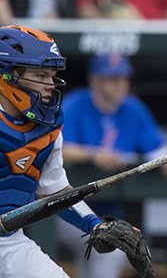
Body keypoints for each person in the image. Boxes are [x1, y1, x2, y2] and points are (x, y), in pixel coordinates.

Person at [0, 25, 143, 277]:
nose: (49, 85)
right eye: (40, 75)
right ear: (8, 74)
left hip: (8, 240)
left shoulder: (48, 127)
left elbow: (55, 191)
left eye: (51, 76)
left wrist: (95, 225)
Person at [57, 53, 167, 278]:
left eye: (122, 78)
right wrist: (91, 155)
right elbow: (55, 148)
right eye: (112, 78)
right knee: (106, 249)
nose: (119, 84)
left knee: (109, 248)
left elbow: (157, 148)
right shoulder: (76, 104)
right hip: (67, 209)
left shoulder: (133, 108)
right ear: (95, 79)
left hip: (110, 211)